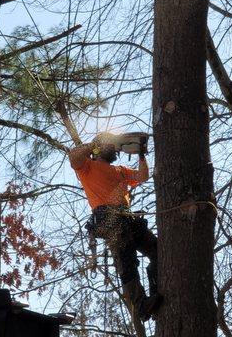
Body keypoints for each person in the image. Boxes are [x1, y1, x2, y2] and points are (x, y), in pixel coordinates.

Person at [68, 132, 162, 321]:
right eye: (109, 145)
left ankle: (156, 290)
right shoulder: (87, 166)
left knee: (158, 250)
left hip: (126, 216)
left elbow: (142, 176)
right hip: (107, 218)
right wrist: (94, 144)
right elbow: (73, 157)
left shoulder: (120, 170)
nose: (114, 149)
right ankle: (141, 306)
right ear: (99, 149)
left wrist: (141, 154)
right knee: (126, 260)